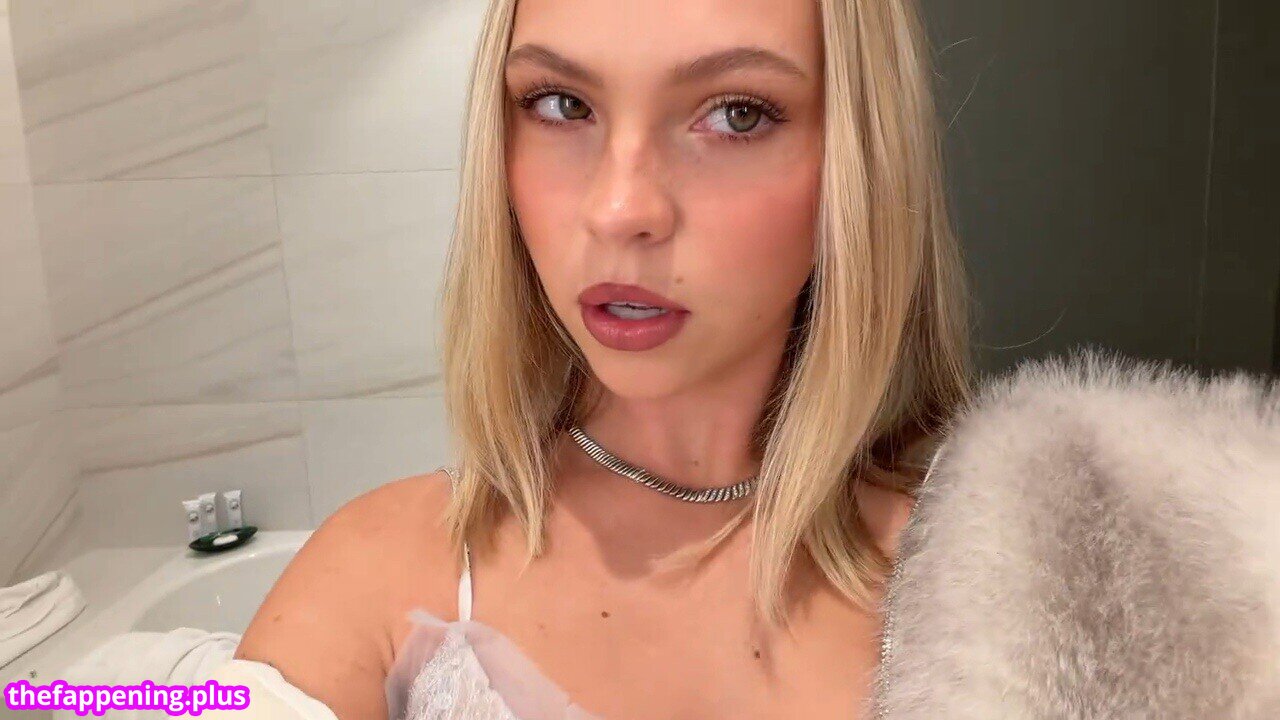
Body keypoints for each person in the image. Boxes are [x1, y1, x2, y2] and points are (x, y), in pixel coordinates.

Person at [205, 0, 1280, 717]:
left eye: (734, 113)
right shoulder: (382, 568)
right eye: (561, 105)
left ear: (854, 163)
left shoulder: (1030, 574)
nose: (619, 208)